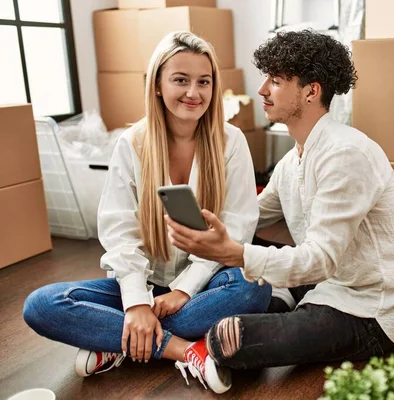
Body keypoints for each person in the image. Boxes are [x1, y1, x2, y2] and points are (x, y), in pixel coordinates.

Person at [164, 29, 394, 392]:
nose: (262, 90)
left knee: (227, 338)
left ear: (311, 91)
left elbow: (322, 259)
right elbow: (249, 215)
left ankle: (145, 336)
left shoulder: (345, 155)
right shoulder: (292, 159)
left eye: (276, 81)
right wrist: (205, 224)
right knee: (243, 275)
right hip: (322, 283)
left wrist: (234, 253)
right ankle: (276, 298)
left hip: (365, 311)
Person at [22, 31, 271, 394]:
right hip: (144, 282)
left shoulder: (231, 141)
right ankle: (183, 348)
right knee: (41, 305)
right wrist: (137, 303)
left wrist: (184, 291)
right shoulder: (133, 143)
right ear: (157, 85)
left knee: (254, 288)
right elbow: (119, 232)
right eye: (181, 80)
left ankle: (117, 339)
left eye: (204, 81)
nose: (194, 93)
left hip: (206, 284)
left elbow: (237, 230)